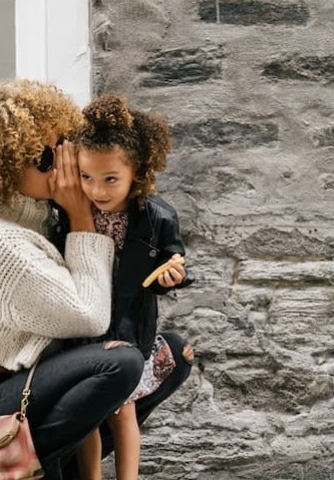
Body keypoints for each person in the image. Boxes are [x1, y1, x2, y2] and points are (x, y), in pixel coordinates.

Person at [0, 79, 145, 479]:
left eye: (65, 147)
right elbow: (89, 315)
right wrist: (83, 218)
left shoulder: (41, 225)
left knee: (167, 354)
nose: (63, 164)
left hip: (23, 387)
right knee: (119, 363)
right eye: (45, 158)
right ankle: (16, 465)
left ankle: (43, 467)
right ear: (6, 167)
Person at [55, 94, 196, 480]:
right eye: (87, 177)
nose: (98, 190)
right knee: (90, 411)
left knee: (124, 409)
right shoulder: (70, 213)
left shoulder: (156, 217)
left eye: (110, 179)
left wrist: (173, 276)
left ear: (138, 171)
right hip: (83, 328)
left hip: (130, 327)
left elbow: (174, 260)